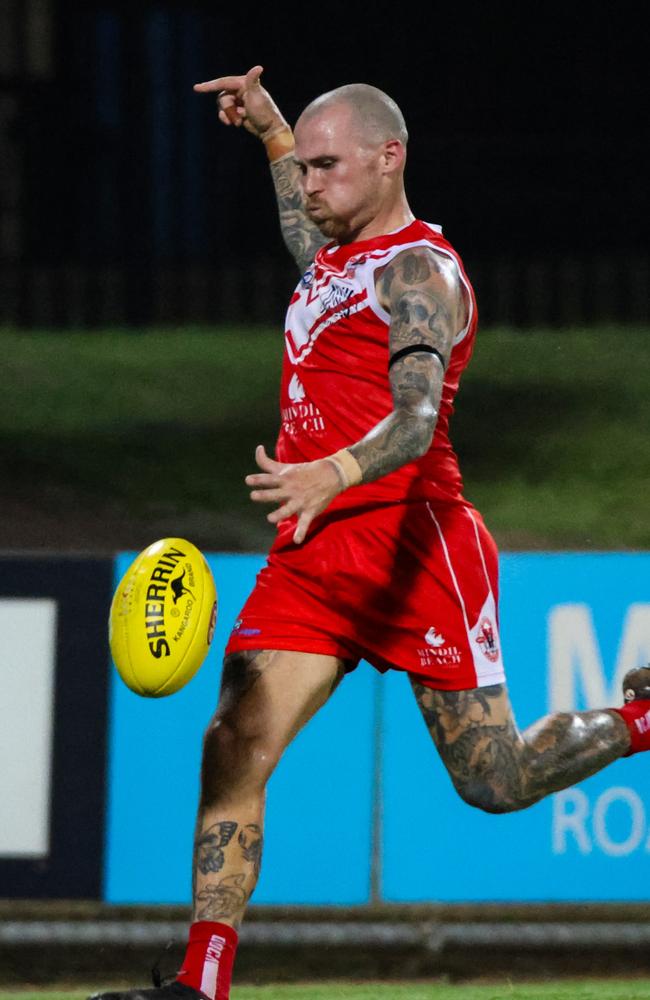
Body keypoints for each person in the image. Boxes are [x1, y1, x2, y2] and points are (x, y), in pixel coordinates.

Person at [94, 66, 650, 1000]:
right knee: (233, 740)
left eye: (326, 168)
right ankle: (202, 983)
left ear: (389, 160)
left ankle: (642, 719)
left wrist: (330, 471)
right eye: (304, 170)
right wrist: (272, 130)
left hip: (415, 547)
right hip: (316, 554)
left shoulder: (419, 273)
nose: (310, 187)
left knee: (495, 778)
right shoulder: (333, 260)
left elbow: (418, 418)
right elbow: (297, 227)